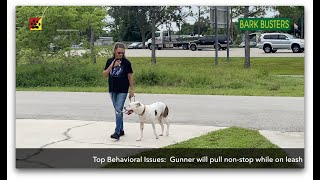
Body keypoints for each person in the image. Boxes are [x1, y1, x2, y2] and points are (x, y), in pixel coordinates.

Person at [102, 42, 134, 140]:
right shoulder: (109, 61)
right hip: (112, 89)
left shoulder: (126, 63)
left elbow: (130, 77)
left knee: (118, 110)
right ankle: (122, 130)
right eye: (119, 52)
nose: (121, 55)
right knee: (117, 111)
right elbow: (104, 75)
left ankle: (117, 132)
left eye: (123, 53)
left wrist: (132, 90)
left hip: (123, 90)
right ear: (115, 51)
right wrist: (112, 65)